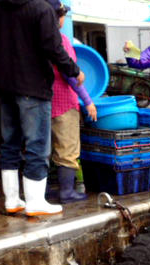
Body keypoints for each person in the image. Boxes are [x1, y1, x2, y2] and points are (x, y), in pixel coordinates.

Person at [0, 0, 83, 216]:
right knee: (37, 145)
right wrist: (74, 70)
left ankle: (12, 200)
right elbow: (53, 47)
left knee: (10, 143)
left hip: (5, 86)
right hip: (33, 86)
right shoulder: (41, 8)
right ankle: (35, 201)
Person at [49, 0, 95, 204]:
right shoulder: (61, 40)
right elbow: (71, 75)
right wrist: (88, 101)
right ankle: (67, 192)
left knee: (44, 150)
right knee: (68, 149)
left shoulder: (35, 39)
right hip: (64, 103)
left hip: (43, 103)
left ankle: (43, 193)